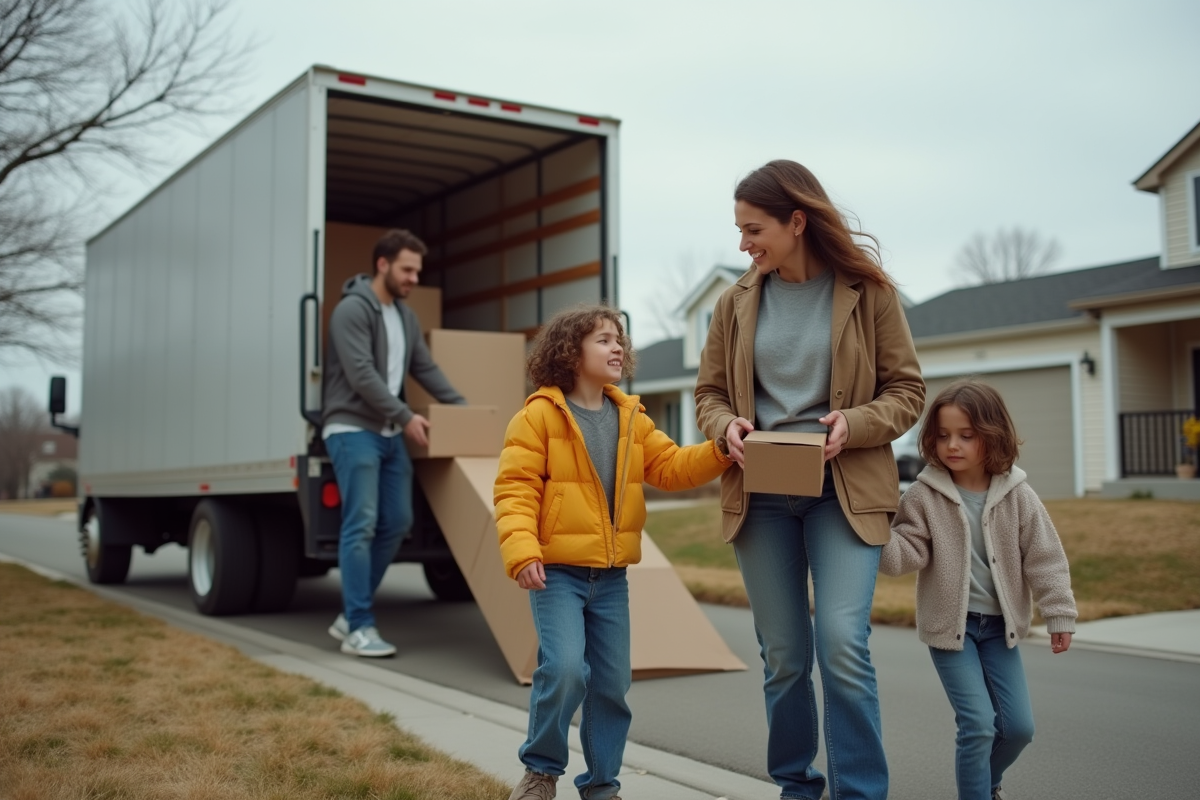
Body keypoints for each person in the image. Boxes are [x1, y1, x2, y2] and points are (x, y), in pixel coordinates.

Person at [694, 160, 925, 800]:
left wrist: (855, 423)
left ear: (797, 221)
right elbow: (709, 393)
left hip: (843, 494)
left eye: (753, 228)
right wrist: (725, 429)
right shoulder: (733, 302)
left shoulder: (868, 292)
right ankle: (796, 786)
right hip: (760, 497)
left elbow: (908, 391)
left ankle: (860, 793)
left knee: (843, 645)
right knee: (785, 658)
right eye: (740, 231)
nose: (743, 244)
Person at [494, 304, 732, 800]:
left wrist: (723, 451)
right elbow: (514, 490)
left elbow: (671, 466)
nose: (617, 347)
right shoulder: (537, 415)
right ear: (570, 352)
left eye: (619, 338)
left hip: (611, 578)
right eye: (603, 339)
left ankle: (602, 786)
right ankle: (540, 772)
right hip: (556, 572)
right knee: (562, 670)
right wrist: (522, 550)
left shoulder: (631, 417)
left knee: (611, 684)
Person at [880, 380, 1077, 800]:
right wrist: (874, 530)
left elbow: (1046, 559)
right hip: (951, 631)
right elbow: (903, 557)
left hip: (999, 631)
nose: (953, 445)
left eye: (966, 436)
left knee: (1018, 729)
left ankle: (986, 784)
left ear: (993, 435)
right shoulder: (922, 497)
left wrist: (1059, 613)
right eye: (944, 435)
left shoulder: (1018, 495)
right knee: (977, 724)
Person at [321, 229, 465, 657]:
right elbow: (362, 374)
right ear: (382, 265)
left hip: (387, 432)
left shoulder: (404, 317)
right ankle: (360, 627)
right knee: (361, 523)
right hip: (352, 429)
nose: (413, 278)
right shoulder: (352, 310)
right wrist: (405, 416)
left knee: (398, 522)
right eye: (407, 269)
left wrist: (465, 409)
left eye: (417, 270)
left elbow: (424, 366)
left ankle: (351, 612)